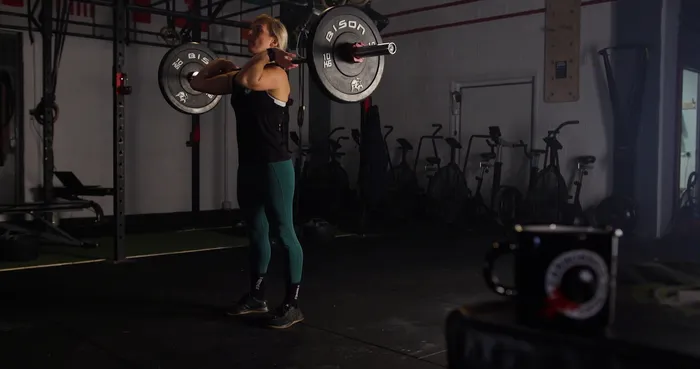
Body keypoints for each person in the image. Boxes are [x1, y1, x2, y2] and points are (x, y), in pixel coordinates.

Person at [189, 14, 304, 329]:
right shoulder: (241, 73)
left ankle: (292, 305)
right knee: (255, 231)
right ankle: (256, 297)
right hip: (249, 166)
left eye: (259, 30)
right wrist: (218, 63)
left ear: (274, 42)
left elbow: (250, 81)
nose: (250, 33)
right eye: (251, 29)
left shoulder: (277, 74)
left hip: (274, 166)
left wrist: (267, 58)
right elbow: (197, 83)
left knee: (284, 232)